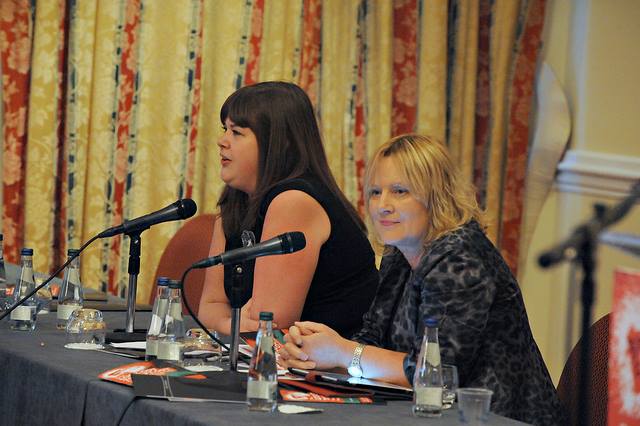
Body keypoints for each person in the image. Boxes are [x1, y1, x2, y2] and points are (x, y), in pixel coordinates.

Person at [279, 134, 565, 425]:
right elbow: (372, 337)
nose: (382, 205)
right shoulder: (400, 252)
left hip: (496, 416)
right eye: (376, 192)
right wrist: (316, 353)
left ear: (436, 196)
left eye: (400, 191)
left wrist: (341, 352)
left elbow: (434, 373)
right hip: (428, 414)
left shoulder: (461, 258)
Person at [198, 81, 379, 337]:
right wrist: (232, 324)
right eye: (224, 129)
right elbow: (209, 307)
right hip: (277, 361)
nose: (221, 141)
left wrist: (231, 322)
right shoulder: (236, 202)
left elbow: (270, 324)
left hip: (335, 367)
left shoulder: (294, 201)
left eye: (236, 132)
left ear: (276, 143)